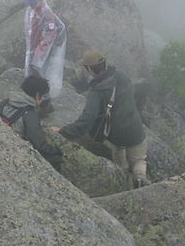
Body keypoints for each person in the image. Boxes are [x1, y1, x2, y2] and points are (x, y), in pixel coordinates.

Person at [50, 50, 148, 188]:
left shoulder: (97, 92)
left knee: (119, 161)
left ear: (89, 69)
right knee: (139, 160)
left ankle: (123, 179)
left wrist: (63, 132)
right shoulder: (121, 76)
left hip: (116, 136)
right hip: (136, 129)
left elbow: (86, 121)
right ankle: (140, 178)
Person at [0, 75, 62, 171]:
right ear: (37, 95)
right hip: (11, 152)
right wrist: (56, 151)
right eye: (43, 96)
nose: (43, 99)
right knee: (55, 158)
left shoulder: (6, 102)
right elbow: (39, 144)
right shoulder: (30, 114)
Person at [24, 0, 66, 114]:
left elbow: (50, 35)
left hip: (41, 55)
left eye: (33, 2)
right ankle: (33, 101)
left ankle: (45, 105)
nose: (31, 5)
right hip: (33, 51)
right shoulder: (33, 11)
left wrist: (38, 56)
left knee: (40, 80)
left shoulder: (47, 14)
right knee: (33, 77)